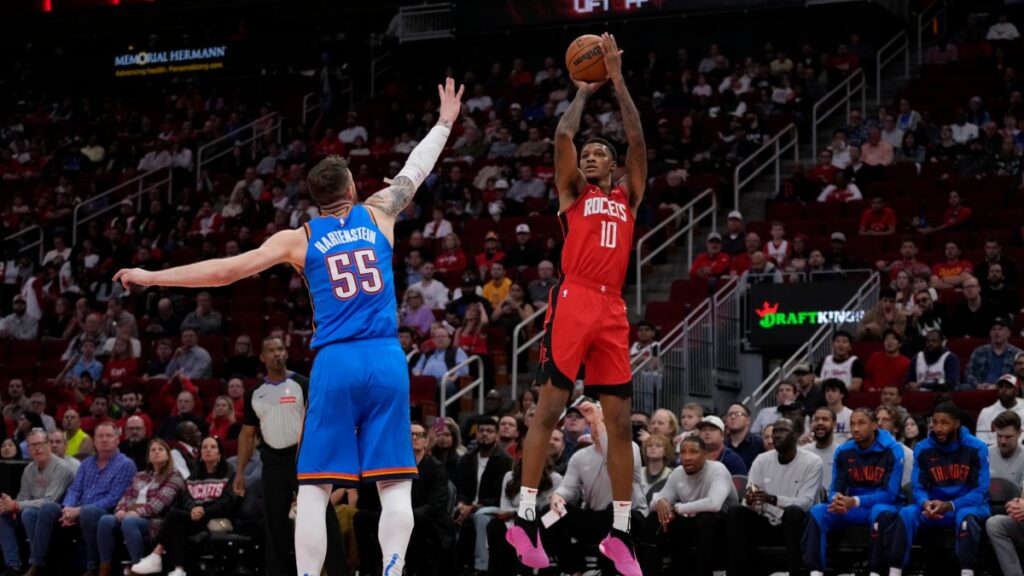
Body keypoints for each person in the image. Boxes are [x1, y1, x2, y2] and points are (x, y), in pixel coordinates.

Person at [115, 77, 464, 576]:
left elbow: (225, 270)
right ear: (351, 189)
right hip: (387, 358)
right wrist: (445, 120)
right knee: (395, 485)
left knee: (316, 489)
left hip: (336, 361)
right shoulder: (380, 212)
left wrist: (152, 276)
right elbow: (415, 169)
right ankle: (391, 569)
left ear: (315, 199)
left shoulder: (297, 239)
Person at [506, 33, 647, 576]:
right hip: (573, 300)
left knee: (618, 420)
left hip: (612, 310)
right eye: (586, 155)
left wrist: (619, 81)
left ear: (613, 168)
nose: (589, 156)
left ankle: (620, 530)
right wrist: (585, 92)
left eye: (598, 154)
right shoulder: (573, 195)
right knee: (547, 409)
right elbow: (562, 134)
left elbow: (636, 140)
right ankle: (524, 516)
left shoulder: (627, 196)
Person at [232, 336, 344, 576]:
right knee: (275, 525)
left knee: (324, 517)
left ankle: (339, 571)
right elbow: (247, 434)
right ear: (262, 357)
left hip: (306, 460)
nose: (276, 354)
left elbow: (323, 421)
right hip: (273, 462)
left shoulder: (303, 383)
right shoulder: (255, 392)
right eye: (271, 350)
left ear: (287, 353)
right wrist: (240, 472)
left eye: (280, 349)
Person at [876, 402, 989, 576]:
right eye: (935, 422)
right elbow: (918, 486)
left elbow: (980, 491)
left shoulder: (977, 447)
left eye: (944, 423)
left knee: (965, 517)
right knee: (906, 513)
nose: (938, 428)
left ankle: (968, 572)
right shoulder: (923, 447)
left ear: (957, 424)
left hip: (966, 505)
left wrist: (950, 505)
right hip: (934, 508)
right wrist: (925, 503)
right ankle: (894, 571)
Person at [540, 400, 648, 576]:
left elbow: (613, 457)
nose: (597, 427)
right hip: (595, 519)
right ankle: (573, 568)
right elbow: (568, 488)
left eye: (603, 422)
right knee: (548, 515)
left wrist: (598, 420)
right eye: (594, 423)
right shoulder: (580, 456)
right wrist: (558, 496)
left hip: (629, 517)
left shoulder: (630, 448)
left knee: (618, 511)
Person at [22, 422, 136, 576]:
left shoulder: (126, 464)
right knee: (44, 508)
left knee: (88, 511)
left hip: (104, 512)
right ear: (94, 441)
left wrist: (79, 510)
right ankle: (38, 564)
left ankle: (92, 566)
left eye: (109, 436)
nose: (104, 439)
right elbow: (74, 490)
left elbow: (115, 497)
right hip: (77, 509)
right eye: (100, 436)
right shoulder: (87, 463)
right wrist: (68, 508)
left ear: (117, 440)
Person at [802, 408, 904, 576]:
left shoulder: (893, 450)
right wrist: (837, 499)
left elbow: (890, 494)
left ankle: (876, 572)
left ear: (873, 425)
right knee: (817, 512)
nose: (855, 428)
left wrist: (854, 501)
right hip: (853, 507)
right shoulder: (844, 451)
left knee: (880, 512)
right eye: (852, 424)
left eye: (861, 423)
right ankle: (815, 572)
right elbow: (835, 489)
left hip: (884, 506)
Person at [130, 437, 238, 576]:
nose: (208, 450)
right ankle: (179, 570)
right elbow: (185, 498)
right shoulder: (195, 475)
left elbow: (228, 502)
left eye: (213, 447)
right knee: (178, 523)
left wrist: (204, 510)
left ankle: (156, 554)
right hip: (195, 518)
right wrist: (193, 508)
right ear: (200, 453)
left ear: (220, 454)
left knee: (175, 515)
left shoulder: (230, 473)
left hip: (218, 520)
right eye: (204, 447)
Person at [726, 418, 822, 576]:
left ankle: (795, 572)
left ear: (796, 435)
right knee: (736, 512)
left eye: (782, 431)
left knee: (793, 512)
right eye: (775, 431)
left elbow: (805, 503)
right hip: (765, 522)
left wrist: (771, 499)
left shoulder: (812, 462)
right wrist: (750, 501)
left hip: (796, 525)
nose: (776, 435)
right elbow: (750, 500)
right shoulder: (761, 460)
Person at [356, 421, 452, 576]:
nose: (414, 438)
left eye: (419, 435)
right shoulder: (392, 464)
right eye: (410, 434)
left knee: (413, 519)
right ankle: (367, 570)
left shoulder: (436, 467)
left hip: (427, 518)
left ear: (426, 441)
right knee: (362, 517)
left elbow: (436, 503)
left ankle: (413, 570)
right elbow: (371, 497)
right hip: (396, 512)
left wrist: (406, 514)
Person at [647, 435, 738, 576]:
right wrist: (661, 503)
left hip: (722, 528)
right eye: (683, 452)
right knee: (655, 517)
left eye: (693, 452)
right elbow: (657, 500)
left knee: (706, 518)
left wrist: (676, 508)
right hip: (692, 525)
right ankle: (651, 571)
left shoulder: (718, 470)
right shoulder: (678, 473)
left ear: (705, 455)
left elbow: (714, 504)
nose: (687, 457)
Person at [96, 439, 185, 573]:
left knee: (129, 522)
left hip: (157, 520)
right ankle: (104, 567)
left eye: (161, 449)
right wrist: (121, 509)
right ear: (148, 457)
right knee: (105, 520)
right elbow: (126, 496)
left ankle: (137, 567)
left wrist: (136, 513)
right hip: (130, 515)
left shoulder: (174, 477)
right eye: (153, 450)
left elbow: (159, 504)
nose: (156, 452)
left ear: (168, 455)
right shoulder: (140, 476)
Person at [0, 429, 74, 575]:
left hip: (59, 513)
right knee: (2, 515)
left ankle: (38, 565)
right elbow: (22, 498)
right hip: (32, 511)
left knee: (28, 513)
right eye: (32, 445)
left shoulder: (62, 468)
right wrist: (8, 505)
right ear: (28, 449)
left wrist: (16, 505)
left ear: (48, 445)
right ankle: (13, 565)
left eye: (40, 444)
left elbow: (50, 500)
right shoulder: (29, 469)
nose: (37, 448)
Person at [454, 417, 513, 574]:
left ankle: (482, 566)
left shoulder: (505, 461)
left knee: (479, 516)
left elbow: (499, 495)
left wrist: (473, 507)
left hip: (494, 507)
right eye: (481, 431)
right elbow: (461, 488)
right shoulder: (467, 459)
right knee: (450, 514)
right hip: (468, 506)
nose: (484, 434)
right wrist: (461, 505)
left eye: (489, 431)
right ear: (476, 434)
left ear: (497, 435)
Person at [976, 374, 1024, 446]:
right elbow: (980, 440)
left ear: (1016, 391)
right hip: (992, 453)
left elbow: (1022, 439)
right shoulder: (986, 412)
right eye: (1001, 387)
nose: (1004, 390)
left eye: (1008, 387)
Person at [801, 407, 839, 491]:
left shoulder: (841, 452)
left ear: (834, 424)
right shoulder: (803, 452)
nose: (820, 423)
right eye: (816, 419)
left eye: (825, 419)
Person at [723, 403, 763, 470]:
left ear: (748, 420)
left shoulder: (758, 444)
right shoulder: (722, 445)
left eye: (738, 414)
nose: (733, 417)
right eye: (730, 414)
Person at [989, 411, 1024, 486]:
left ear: (1019, 433)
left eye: (1008, 437)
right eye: (999, 436)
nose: (1003, 441)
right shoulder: (986, 453)